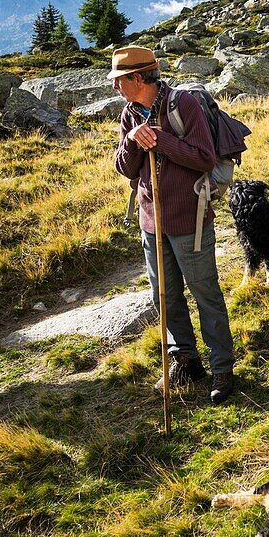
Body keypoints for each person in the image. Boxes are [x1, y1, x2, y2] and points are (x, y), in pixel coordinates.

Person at [111, 45, 236, 405]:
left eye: (120, 80)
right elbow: (125, 169)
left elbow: (203, 158)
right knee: (163, 297)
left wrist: (161, 139)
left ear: (137, 78)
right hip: (151, 222)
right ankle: (185, 359)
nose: (116, 87)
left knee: (205, 293)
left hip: (190, 220)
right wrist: (135, 141)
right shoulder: (129, 113)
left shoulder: (184, 105)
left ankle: (222, 367)